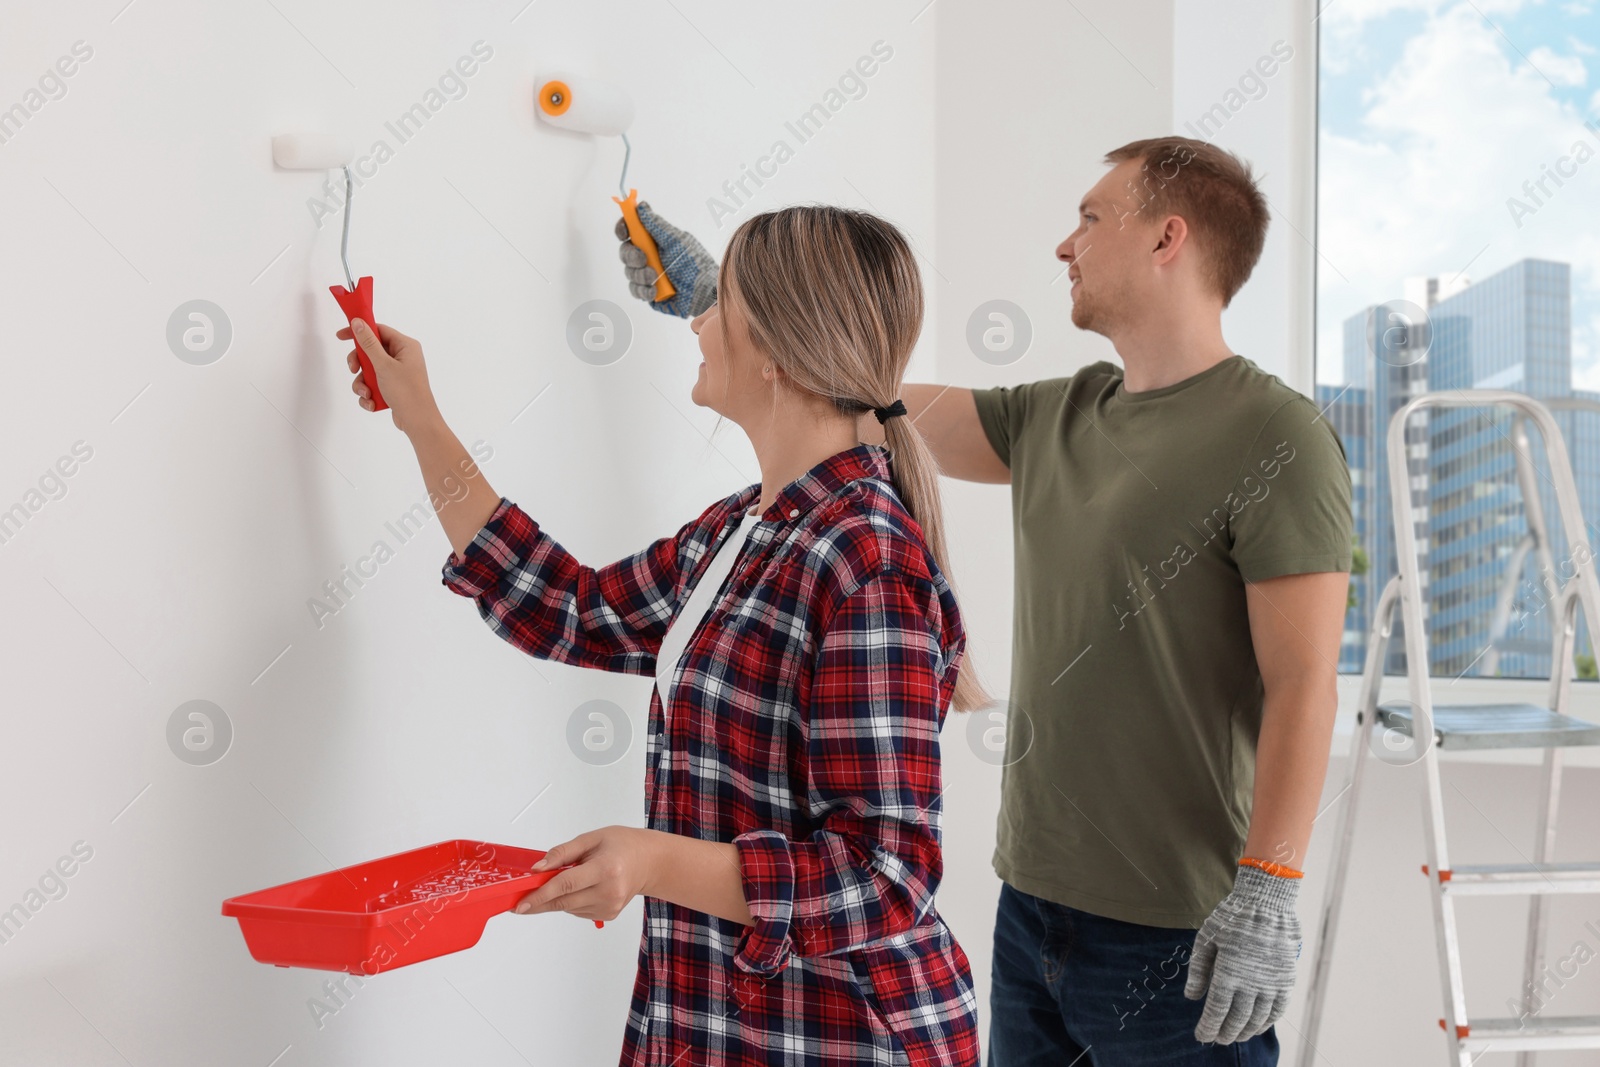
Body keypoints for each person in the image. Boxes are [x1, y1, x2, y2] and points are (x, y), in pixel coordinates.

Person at [618, 138, 1352, 1065]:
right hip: (1033, 911)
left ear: (1169, 239)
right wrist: (727, 309)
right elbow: (850, 392)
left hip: (1176, 938)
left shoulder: (1276, 433)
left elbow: (1305, 680)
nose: (1064, 245)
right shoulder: (1062, 412)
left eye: (1090, 218)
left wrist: (1269, 888)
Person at [338, 204, 990, 1066]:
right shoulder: (740, 532)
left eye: (721, 301)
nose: (698, 320)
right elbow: (567, 606)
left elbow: (885, 876)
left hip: (837, 1035)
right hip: (712, 1021)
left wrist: (651, 862)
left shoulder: (866, 561)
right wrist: (420, 416)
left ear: (775, 355)